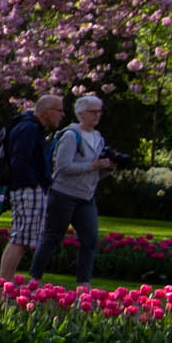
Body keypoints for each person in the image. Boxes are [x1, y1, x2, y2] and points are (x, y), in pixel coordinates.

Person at [34, 93, 116, 285]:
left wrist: (106, 168)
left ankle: (83, 286)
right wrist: (94, 165)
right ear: (81, 114)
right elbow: (62, 167)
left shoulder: (98, 138)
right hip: (64, 194)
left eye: (99, 112)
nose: (97, 115)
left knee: (90, 239)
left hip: (86, 197)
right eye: (93, 112)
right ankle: (34, 279)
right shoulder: (71, 135)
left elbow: (94, 172)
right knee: (52, 238)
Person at [0, 92, 67, 281]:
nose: (62, 115)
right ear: (45, 112)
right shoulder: (29, 129)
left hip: (28, 188)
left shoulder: (29, 127)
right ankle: (3, 286)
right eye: (59, 110)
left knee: (21, 239)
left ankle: (3, 285)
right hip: (28, 189)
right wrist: (36, 183)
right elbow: (21, 161)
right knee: (20, 240)